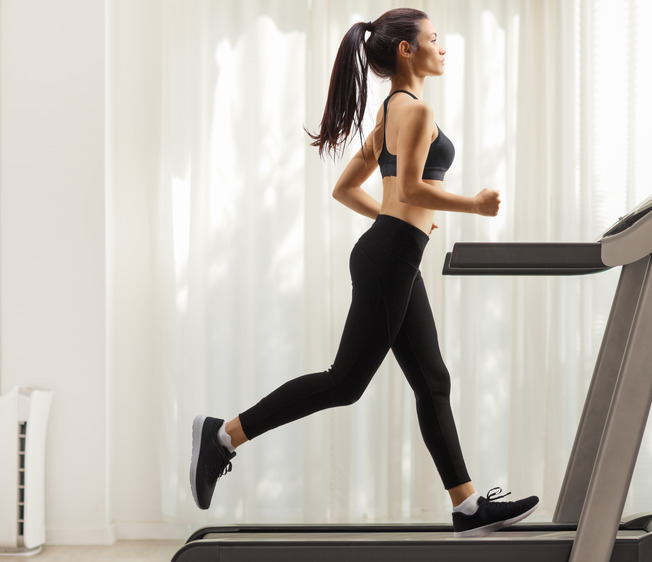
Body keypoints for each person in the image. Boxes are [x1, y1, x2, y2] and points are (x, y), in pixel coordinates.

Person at [188, 8, 538, 538]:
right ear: (406, 50)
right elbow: (415, 189)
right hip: (390, 257)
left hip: (393, 253)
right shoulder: (413, 112)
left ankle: (467, 507)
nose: (442, 49)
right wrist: (473, 202)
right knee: (345, 383)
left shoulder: (389, 112)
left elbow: (348, 188)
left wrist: (399, 218)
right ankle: (222, 437)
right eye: (434, 40)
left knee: (433, 380)